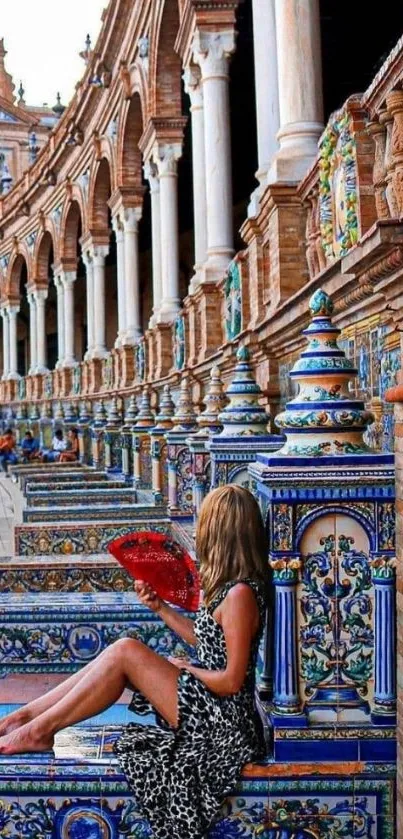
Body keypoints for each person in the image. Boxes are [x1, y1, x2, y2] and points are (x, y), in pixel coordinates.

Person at [0, 485, 269, 839]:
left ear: (220, 531)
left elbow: (233, 680)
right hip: (212, 707)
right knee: (120, 652)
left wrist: (187, 669)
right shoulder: (231, 588)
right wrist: (160, 607)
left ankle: (36, 730)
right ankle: (27, 718)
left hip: (225, 725)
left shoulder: (240, 595)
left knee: (126, 651)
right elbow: (206, 640)